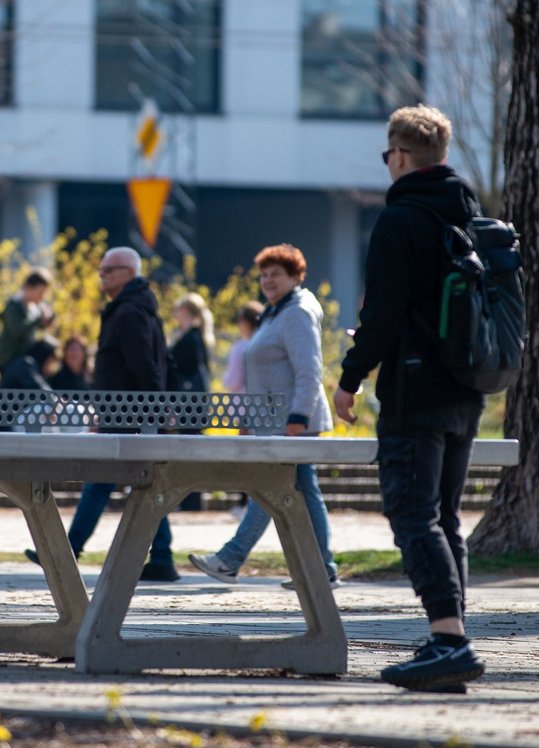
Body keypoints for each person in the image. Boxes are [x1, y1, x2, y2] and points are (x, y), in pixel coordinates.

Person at [333, 105, 486, 692]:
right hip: (466, 389)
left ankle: (448, 639)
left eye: (386, 155)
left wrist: (350, 377)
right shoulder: (468, 217)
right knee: (444, 518)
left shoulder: (400, 221)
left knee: (412, 512)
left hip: (414, 390)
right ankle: (451, 638)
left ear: (399, 156)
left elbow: (384, 315)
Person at [24, 246, 180, 582]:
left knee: (105, 482)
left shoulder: (129, 312)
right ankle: (162, 556)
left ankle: (66, 550)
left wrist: (155, 410)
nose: (102, 276)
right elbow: (154, 364)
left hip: (128, 414)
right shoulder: (139, 309)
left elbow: (145, 365)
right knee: (141, 483)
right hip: (126, 413)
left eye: (108, 270)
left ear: (128, 272)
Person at [189, 244, 339, 589]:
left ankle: (231, 558)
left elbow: (309, 370)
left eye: (277, 274)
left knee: (270, 487)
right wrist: (251, 420)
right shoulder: (276, 311)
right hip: (274, 420)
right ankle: (322, 568)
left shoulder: (298, 311)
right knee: (302, 488)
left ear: (296, 276)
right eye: (264, 274)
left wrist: (299, 415)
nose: (268, 281)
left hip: (293, 421)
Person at [169, 292, 215, 511]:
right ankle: (191, 498)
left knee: (188, 451)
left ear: (186, 311)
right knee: (191, 450)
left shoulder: (189, 338)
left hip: (188, 406)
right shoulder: (198, 337)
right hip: (195, 405)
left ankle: (190, 499)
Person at [222, 300, 266, 520]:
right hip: (263, 406)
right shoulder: (264, 343)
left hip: (244, 407)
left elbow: (233, 380)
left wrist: (224, 378)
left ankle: (244, 501)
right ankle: (247, 500)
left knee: (244, 455)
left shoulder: (241, 347)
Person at [0, 267, 55, 374]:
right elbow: (18, 330)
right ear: (29, 288)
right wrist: (39, 319)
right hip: (8, 357)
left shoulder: (33, 307)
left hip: (24, 354)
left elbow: (38, 325)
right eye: (40, 293)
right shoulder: (14, 305)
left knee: (48, 346)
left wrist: (48, 320)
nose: (42, 297)